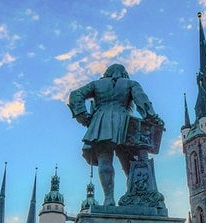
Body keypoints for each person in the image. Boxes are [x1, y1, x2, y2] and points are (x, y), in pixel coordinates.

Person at [68, 64, 163, 206]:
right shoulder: (131, 84)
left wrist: (84, 117)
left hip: (101, 121)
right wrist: (153, 118)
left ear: (108, 73)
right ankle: (136, 194)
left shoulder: (97, 84)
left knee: (104, 159)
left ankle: (108, 199)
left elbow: (76, 95)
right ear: (124, 73)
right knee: (129, 161)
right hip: (125, 122)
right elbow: (142, 101)